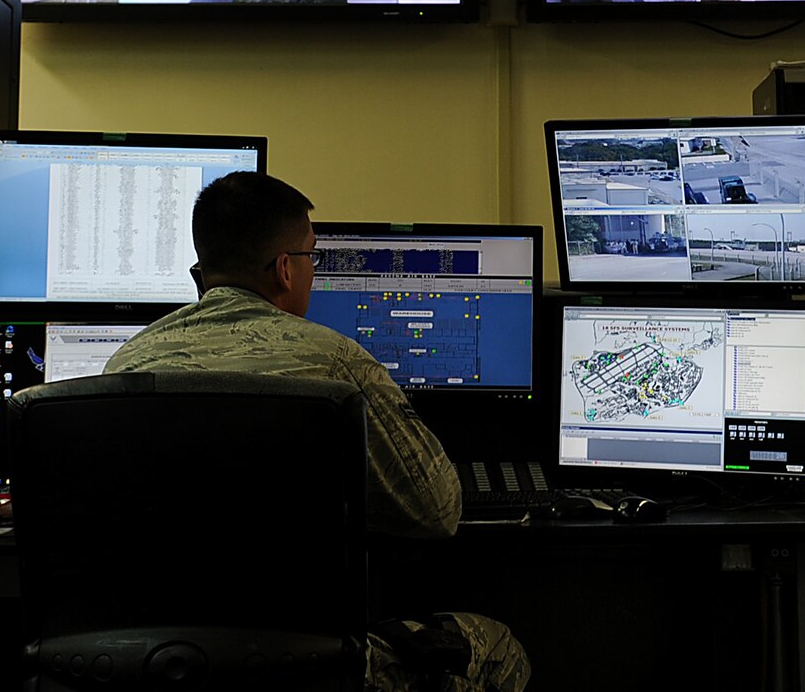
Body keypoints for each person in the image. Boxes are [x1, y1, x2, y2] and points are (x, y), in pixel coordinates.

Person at [105, 172, 530, 692]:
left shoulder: (123, 366)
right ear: (286, 269)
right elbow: (436, 513)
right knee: (500, 649)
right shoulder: (335, 362)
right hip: (305, 666)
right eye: (312, 258)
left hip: (153, 664)